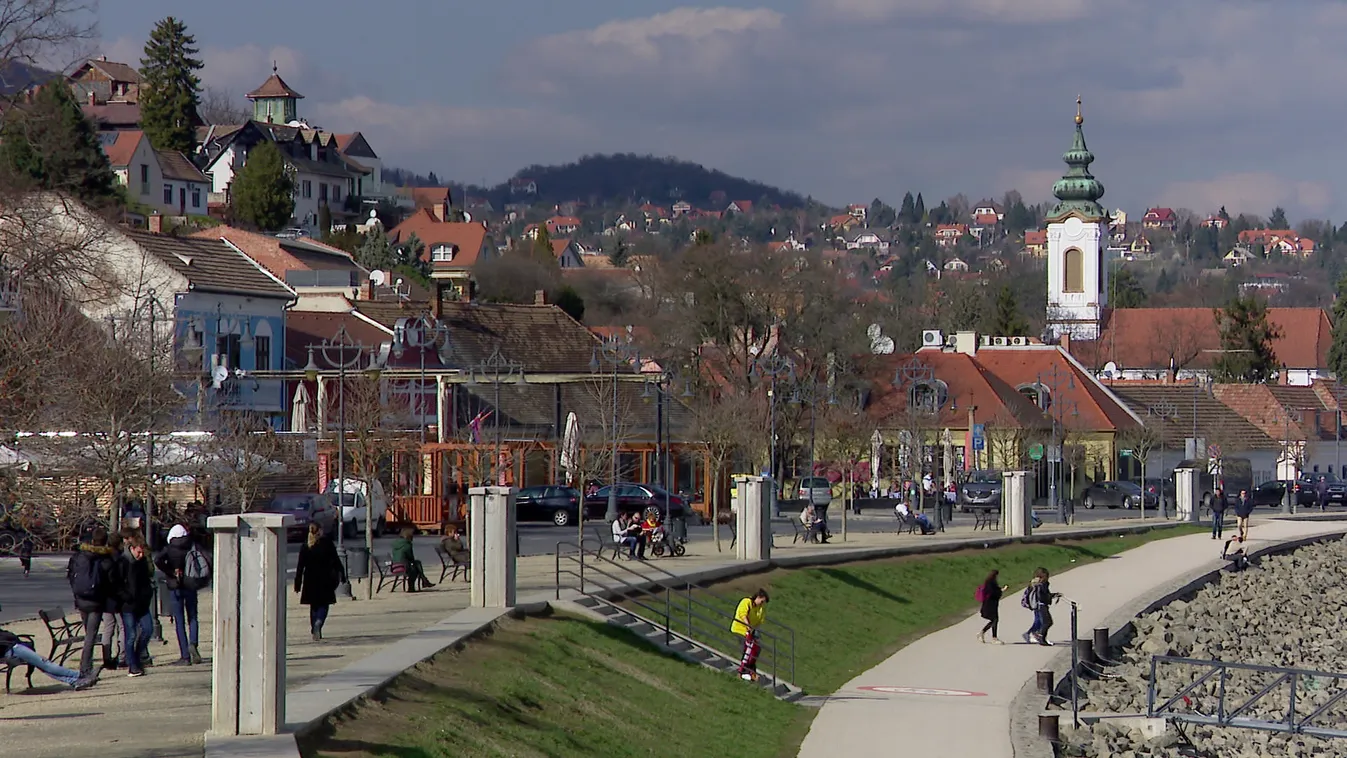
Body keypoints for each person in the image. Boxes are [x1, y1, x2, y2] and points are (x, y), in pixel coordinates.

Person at [66, 526, 119, 676]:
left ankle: (86, 664)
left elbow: (70, 575)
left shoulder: (79, 556)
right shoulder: (105, 559)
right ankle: (85, 667)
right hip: (96, 600)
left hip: (81, 598)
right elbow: (111, 581)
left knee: (88, 632)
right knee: (91, 635)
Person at [155, 523, 204, 665]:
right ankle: (193, 643)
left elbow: (158, 559)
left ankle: (185, 655)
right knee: (193, 617)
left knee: (179, 621)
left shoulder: (170, 549)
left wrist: (170, 571)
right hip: (190, 584)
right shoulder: (191, 545)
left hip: (175, 585)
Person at [0, 620, 98, 690]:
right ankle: (79, 675)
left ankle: (74, 681)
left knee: (43, 664)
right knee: (45, 664)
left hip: (12, 647)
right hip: (11, 649)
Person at [295, 523, 346, 641]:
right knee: (324, 604)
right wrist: (342, 574)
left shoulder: (305, 545)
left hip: (310, 580)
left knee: (314, 606)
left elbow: (300, 567)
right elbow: (336, 560)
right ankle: (318, 623)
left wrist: (298, 583)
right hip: (325, 578)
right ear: (319, 531)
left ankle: (314, 627)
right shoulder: (327, 543)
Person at [120, 534, 155, 676]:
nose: (140, 555)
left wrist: (147, 594)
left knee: (148, 629)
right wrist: (125, 596)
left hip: (142, 603)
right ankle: (132, 665)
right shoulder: (124, 561)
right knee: (131, 635)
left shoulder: (142, 563)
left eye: (142, 552)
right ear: (132, 549)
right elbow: (117, 583)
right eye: (138, 552)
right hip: (128, 604)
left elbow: (147, 580)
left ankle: (137, 656)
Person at [731, 589, 770, 682]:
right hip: (740, 629)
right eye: (762, 601)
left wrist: (754, 631)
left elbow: (760, 621)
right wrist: (748, 626)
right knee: (747, 649)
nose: (762, 604)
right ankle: (744, 671)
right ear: (757, 597)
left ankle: (750, 671)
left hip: (750, 632)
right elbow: (743, 615)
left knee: (756, 649)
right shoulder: (746, 602)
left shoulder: (760, 609)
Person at [1023, 567, 1061, 646]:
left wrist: (1052, 595)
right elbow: (1043, 596)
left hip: (1038, 605)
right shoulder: (1042, 584)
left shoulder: (1035, 584)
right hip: (1041, 605)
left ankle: (1040, 637)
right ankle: (1040, 637)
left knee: (1043, 622)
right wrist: (1052, 596)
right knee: (1047, 622)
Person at [390, 527, 434, 591]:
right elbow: (411, 558)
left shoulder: (395, 543)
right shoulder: (407, 544)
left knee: (417, 563)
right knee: (416, 568)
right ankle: (417, 584)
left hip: (394, 566)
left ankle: (424, 580)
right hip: (404, 566)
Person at [976, 570, 1008, 644]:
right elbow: (993, 593)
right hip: (990, 605)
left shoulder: (989, 583)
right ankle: (993, 638)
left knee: (994, 620)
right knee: (995, 620)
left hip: (990, 604)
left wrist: (1000, 590)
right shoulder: (990, 583)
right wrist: (1002, 590)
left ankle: (982, 633)